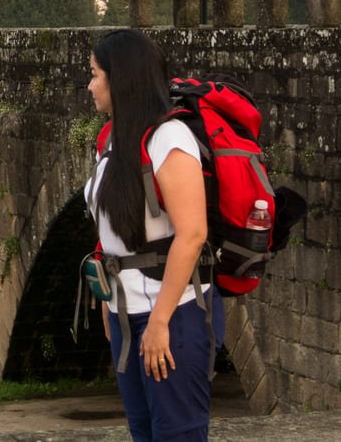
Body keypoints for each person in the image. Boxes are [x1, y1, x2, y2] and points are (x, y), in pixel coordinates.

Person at [85, 29, 224, 441]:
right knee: (142, 432)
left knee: (178, 434)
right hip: (125, 314)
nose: (90, 86)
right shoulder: (112, 139)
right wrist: (109, 300)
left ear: (121, 79)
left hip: (173, 313)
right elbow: (113, 227)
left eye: (95, 75)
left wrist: (160, 321)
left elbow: (192, 233)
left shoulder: (170, 139)